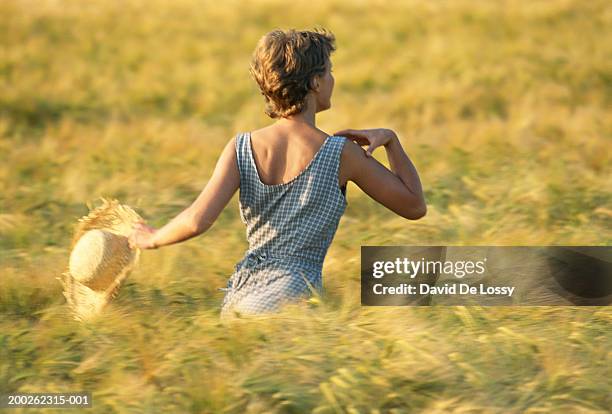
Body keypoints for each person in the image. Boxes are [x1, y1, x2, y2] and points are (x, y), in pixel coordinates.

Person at [128, 28, 427, 320]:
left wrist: (152, 239)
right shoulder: (341, 153)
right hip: (294, 297)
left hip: (239, 297)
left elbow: (196, 220)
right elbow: (414, 206)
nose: (333, 79)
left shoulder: (240, 147)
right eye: (329, 71)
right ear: (315, 83)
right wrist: (391, 140)